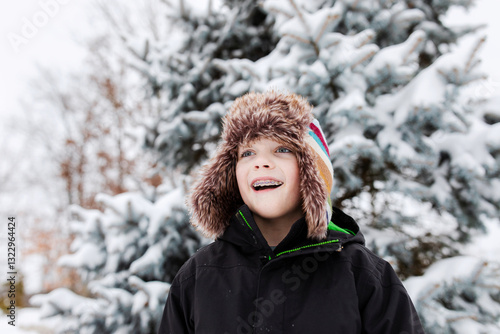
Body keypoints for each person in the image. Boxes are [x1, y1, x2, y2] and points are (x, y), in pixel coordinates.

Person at [158, 91, 424, 334]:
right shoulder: (198, 277)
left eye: (282, 149)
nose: (261, 162)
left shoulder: (364, 276)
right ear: (230, 173)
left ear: (312, 173)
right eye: (247, 153)